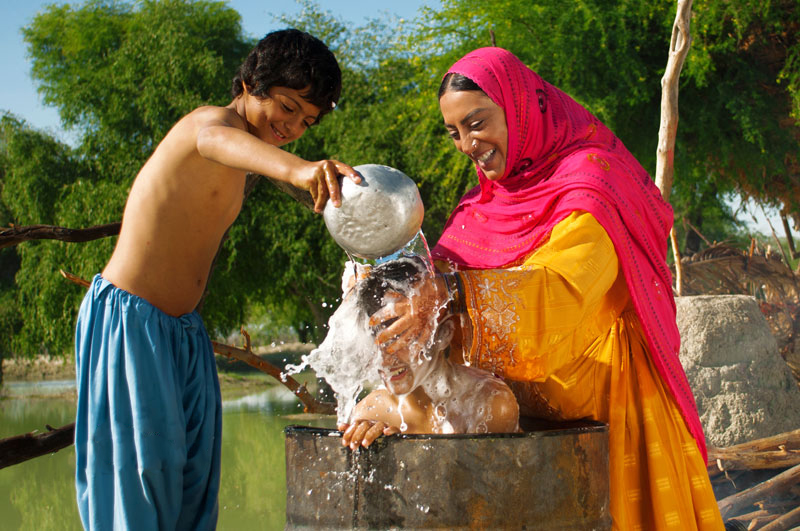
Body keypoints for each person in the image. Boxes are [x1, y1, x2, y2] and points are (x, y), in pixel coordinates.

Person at [369, 47, 725, 530]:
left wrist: (451, 292)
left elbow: (563, 291)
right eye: (454, 133)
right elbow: (433, 303)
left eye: (476, 123)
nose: (466, 144)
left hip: (613, 415)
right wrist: (394, 394)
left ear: (520, 107)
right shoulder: (482, 204)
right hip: (519, 428)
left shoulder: (593, 182)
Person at [73, 29, 360, 530]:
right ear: (251, 82)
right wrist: (301, 170)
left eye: (307, 121)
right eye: (288, 107)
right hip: (130, 322)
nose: (293, 126)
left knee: (192, 486)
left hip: (183, 332)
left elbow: (277, 171)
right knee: (138, 488)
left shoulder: (251, 151)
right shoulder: (210, 125)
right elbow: (216, 141)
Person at [337, 256, 520, 450]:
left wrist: (408, 453)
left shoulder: (489, 404)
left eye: (401, 338)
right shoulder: (371, 413)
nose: (384, 359)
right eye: (375, 340)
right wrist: (384, 450)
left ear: (444, 333)